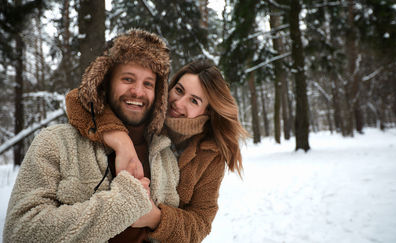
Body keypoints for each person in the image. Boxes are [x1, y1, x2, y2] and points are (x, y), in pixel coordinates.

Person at [3, 29, 180, 243]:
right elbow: (19, 233)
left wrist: (157, 220)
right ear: (105, 82)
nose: (138, 92)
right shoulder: (56, 142)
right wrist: (123, 204)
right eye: (128, 79)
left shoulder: (165, 156)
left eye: (148, 84)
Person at [64, 59, 248, 242]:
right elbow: (77, 99)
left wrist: (155, 218)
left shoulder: (210, 155)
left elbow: (200, 223)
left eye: (193, 100)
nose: (178, 103)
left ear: (207, 112)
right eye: (179, 90)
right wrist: (120, 140)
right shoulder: (146, 109)